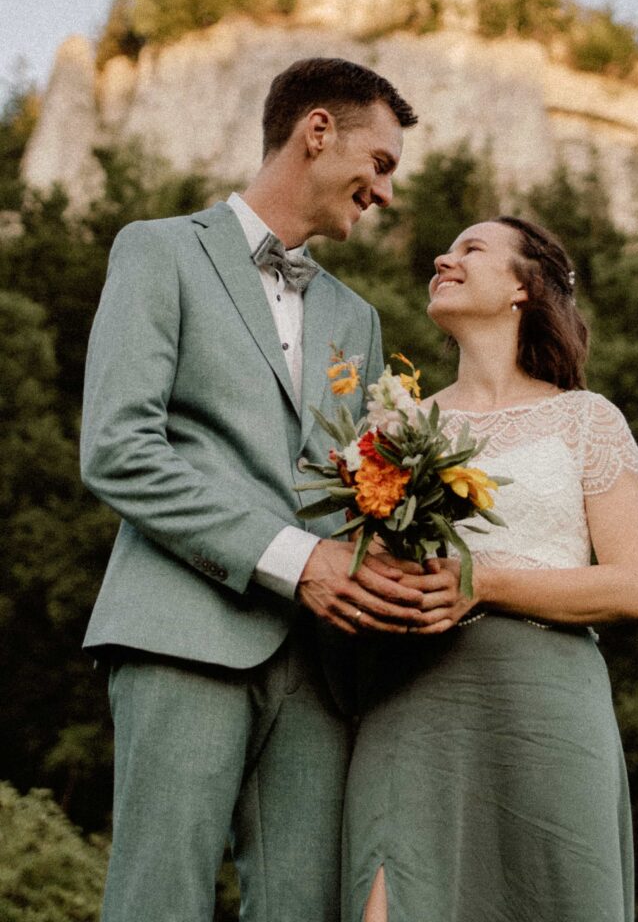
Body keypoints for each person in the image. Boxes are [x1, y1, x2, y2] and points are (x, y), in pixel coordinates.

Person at [80, 57, 437, 922]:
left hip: (320, 662)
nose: (384, 193)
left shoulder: (357, 316)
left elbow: (355, 485)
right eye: (380, 164)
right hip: (183, 630)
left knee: (308, 905)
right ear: (317, 132)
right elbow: (119, 449)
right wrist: (294, 558)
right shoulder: (158, 250)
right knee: (160, 900)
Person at [344, 216, 638, 922]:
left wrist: (481, 582)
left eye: (470, 249)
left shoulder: (587, 419)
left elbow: (635, 588)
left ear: (524, 285)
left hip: (547, 713)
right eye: (447, 248)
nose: (442, 257)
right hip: (415, 704)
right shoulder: (396, 432)